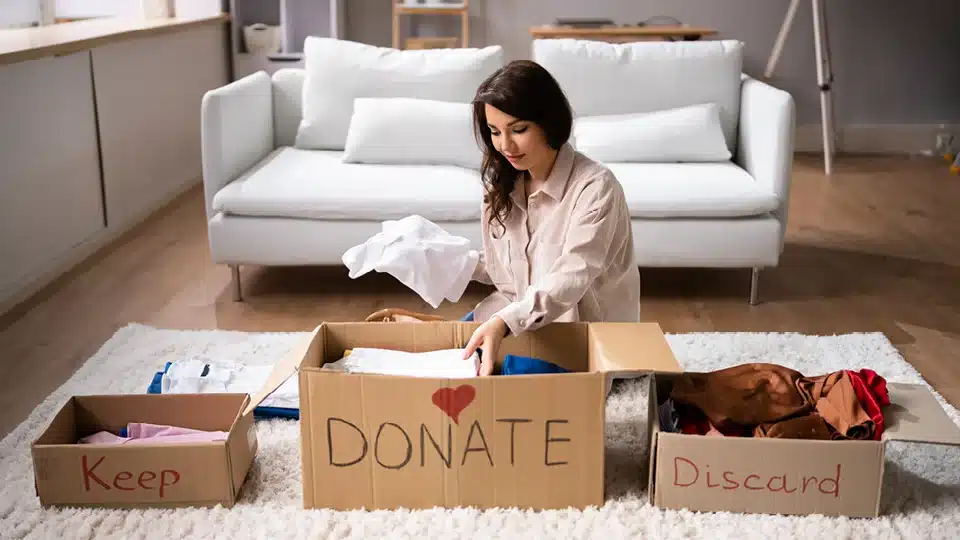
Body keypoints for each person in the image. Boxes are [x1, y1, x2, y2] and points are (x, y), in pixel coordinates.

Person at [462, 60, 641, 376]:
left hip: (580, 335)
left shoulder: (596, 187)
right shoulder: (503, 184)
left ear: (549, 123)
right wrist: (446, 260)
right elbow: (507, 272)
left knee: (499, 377)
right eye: (494, 132)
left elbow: (573, 275)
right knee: (453, 351)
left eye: (518, 130)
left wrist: (505, 322)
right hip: (525, 316)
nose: (505, 146)